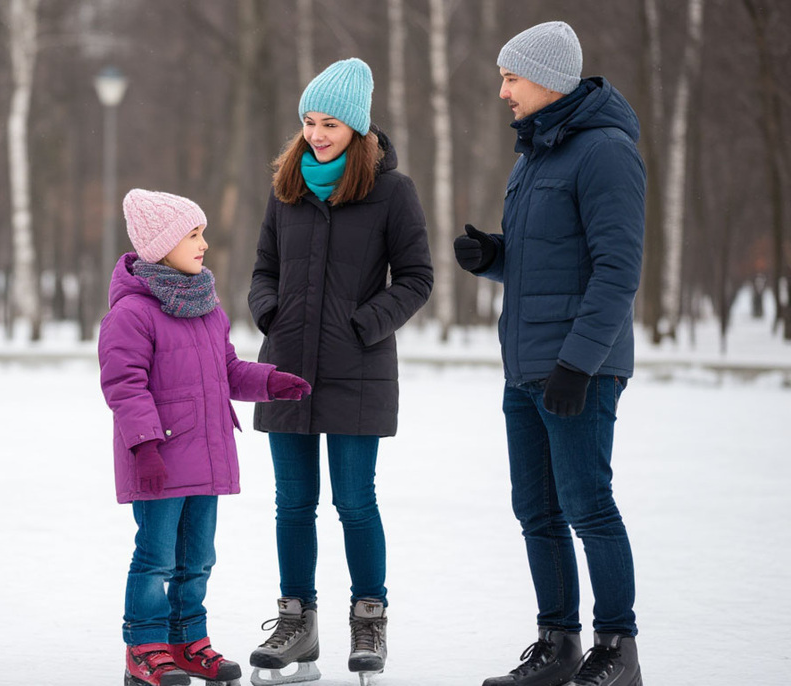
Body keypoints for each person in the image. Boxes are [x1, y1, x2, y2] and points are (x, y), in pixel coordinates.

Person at [453, 21, 645, 686]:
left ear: (548, 79)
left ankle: (617, 650)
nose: (502, 90)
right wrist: (493, 258)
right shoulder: (536, 154)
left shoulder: (606, 151)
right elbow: (546, 264)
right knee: (536, 510)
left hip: (578, 369)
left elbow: (617, 270)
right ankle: (557, 644)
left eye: (511, 77)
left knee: (588, 506)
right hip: (527, 364)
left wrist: (579, 363)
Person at [246, 57, 433, 685]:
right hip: (288, 367)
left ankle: (368, 619)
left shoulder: (390, 192)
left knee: (355, 500)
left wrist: (364, 325)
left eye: (329, 123)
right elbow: (262, 271)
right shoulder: (286, 188)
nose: (317, 133)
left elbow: (416, 278)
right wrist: (269, 312)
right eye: (308, 121)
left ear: (357, 127)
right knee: (292, 504)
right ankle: (297, 623)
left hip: (358, 368)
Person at [99, 189, 311, 686]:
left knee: (197, 559)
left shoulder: (206, 306)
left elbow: (227, 370)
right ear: (161, 245)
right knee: (155, 559)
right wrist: (145, 445)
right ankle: (145, 646)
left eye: (202, 233)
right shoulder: (132, 313)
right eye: (193, 235)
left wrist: (269, 381)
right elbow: (122, 384)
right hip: (159, 458)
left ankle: (187, 640)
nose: (204, 244)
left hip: (206, 457)